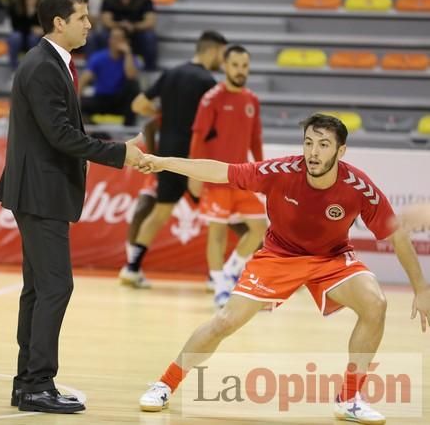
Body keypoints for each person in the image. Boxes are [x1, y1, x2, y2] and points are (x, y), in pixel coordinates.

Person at [135, 113, 430, 424]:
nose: (313, 152)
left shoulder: (358, 187)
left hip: (331, 259)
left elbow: (396, 235)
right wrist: (163, 162)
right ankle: (165, 384)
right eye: (309, 143)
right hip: (279, 256)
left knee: (375, 304)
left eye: (324, 145)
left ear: (340, 151)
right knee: (225, 321)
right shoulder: (281, 171)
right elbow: (222, 171)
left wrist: (421, 288)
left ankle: (350, 399)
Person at [0, 0, 143, 414]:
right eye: (82, 17)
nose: (90, 24)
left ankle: (28, 384)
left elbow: (58, 132)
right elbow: (60, 135)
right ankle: (38, 384)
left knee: (39, 289)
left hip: (41, 191)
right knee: (55, 287)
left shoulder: (51, 63)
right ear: (60, 22)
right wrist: (122, 154)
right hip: (40, 192)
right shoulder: (42, 66)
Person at [119, 30, 228, 288]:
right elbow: (214, 126)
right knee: (221, 216)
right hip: (195, 157)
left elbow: (137, 105)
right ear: (212, 51)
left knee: (160, 212)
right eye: (222, 55)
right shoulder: (208, 82)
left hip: (166, 154)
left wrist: (161, 111)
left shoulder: (170, 74)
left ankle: (131, 268)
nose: (222, 61)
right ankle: (217, 277)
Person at [190, 45, 267, 307]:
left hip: (242, 177)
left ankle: (232, 270)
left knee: (259, 227)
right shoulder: (212, 99)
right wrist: (194, 175)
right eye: (235, 66)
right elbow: (198, 137)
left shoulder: (251, 100)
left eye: (245, 66)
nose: (240, 71)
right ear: (225, 66)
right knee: (217, 234)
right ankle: (220, 287)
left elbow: (255, 140)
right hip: (215, 177)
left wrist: (262, 171)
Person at [90, 0, 158, 70]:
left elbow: (150, 21)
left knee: (149, 37)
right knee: (99, 36)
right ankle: (97, 68)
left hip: (136, 31)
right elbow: (106, 20)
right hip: (115, 31)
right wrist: (119, 26)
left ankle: (150, 70)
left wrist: (134, 26)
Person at [78, 26, 140, 126]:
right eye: (112, 37)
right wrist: (76, 98)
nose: (114, 41)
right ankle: (94, 131)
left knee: (134, 86)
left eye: (118, 38)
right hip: (101, 98)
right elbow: (84, 80)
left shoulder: (131, 59)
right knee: (79, 105)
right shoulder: (98, 58)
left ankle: (128, 130)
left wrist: (128, 53)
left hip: (120, 100)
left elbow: (131, 76)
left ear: (126, 41)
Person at [7, 0, 43, 70]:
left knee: (33, 38)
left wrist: (42, 30)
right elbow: (15, 26)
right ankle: (14, 70)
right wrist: (29, 11)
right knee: (15, 37)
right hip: (21, 37)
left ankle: (32, 71)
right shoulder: (15, 2)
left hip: (36, 39)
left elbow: (46, 25)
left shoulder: (44, 3)